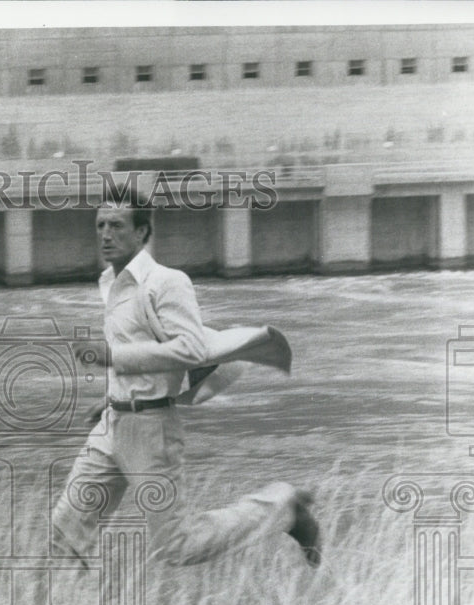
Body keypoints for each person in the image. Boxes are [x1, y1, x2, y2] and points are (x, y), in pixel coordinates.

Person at [52, 192, 321, 569]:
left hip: (151, 431)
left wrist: (114, 358)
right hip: (114, 422)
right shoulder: (110, 283)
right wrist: (112, 395)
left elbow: (191, 348)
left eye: (116, 225)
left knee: (176, 546)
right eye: (100, 225)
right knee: (68, 530)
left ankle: (283, 508)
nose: (105, 235)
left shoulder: (167, 282)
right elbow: (141, 343)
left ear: (142, 231)